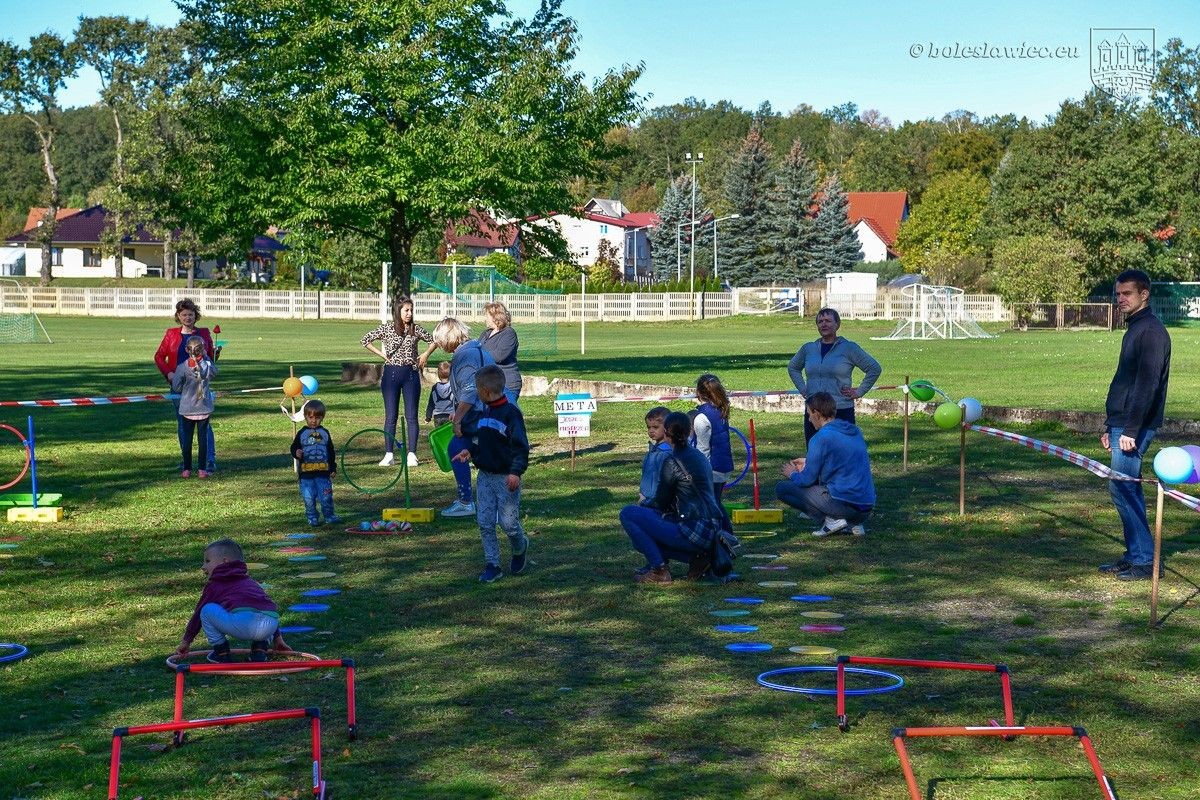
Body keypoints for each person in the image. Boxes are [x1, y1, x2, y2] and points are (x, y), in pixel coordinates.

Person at [1099, 269, 1172, 581]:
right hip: (1121, 424)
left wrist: (1129, 431)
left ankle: (1144, 561)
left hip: (1135, 426)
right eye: (1118, 294)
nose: (1121, 299)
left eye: (1127, 293)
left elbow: (1146, 386)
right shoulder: (1135, 329)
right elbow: (1124, 382)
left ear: (1145, 294)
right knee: (1126, 488)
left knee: (1123, 489)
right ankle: (1135, 555)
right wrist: (1110, 425)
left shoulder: (1152, 332)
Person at [619, 411, 727, 584]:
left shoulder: (672, 460)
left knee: (629, 515)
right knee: (644, 524)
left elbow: (660, 502)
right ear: (690, 431)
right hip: (712, 528)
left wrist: (643, 503)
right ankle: (699, 559)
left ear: (667, 433)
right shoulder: (699, 456)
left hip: (694, 529)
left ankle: (659, 569)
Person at [451, 365, 530, 583]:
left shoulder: (511, 415)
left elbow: (521, 447)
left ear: (485, 391)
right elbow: (483, 444)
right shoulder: (484, 413)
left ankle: (520, 546)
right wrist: (471, 452)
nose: (476, 394)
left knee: (508, 525)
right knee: (485, 522)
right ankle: (493, 564)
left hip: (506, 479)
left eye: (477, 390)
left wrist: (515, 472)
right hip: (485, 477)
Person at [775, 391, 875, 538]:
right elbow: (843, 458)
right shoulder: (854, 431)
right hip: (866, 508)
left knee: (782, 488)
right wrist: (809, 461)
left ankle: (833, 520)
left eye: (809, 414)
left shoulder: (820, 438)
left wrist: (792, 474)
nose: (809, 419)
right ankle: (852, 523)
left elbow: (807, 479)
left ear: (817, 413)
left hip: (842, 504)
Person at [175, 538, 289, 663]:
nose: (203, 566)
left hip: (243, 624)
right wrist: (278, 639)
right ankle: (259, 652)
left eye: (207, 561)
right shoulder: (250, 582)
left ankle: (221, 652)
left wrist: (186, 641)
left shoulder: (215, 584)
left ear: (224, 562)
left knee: (206, 610)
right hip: (270, 625)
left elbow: (197, 615)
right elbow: (266, 606)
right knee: (263, 609)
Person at [360, 295, 436, 468]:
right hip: (391, 374)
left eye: (411, 310)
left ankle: (412, 453)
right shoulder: (387, 328)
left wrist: (425, 354)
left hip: (411, 373)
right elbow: (365, 340)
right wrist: (382, 355)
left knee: (411, 416)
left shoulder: (415, 329)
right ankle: (389, 454)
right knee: (391, 416)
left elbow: (434, 341)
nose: (409, 313)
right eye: (406, 310)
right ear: (398, 311)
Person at [432, 317, 496, 518]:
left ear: (449, 337)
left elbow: (470, 391)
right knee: (457, 448)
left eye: (440, 340)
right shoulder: (477, 349)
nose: (439, 345)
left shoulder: (465, 357)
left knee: (466, 451)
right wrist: (458, 409)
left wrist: (458, 417)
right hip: (489, 410)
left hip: (480, 414)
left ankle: (468, 502)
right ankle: (470, 500)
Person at [787, 307, 882, 444]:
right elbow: (793, 367)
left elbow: (874, 368)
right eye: (820, 321)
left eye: (828, 321)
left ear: (837, 324)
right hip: (814, 413)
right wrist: (803, 389)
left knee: (842, 454)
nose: (824, 324)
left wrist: (859, 391)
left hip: (841, 411)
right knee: (816, 454)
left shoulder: (849, 348)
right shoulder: (808, 348)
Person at [155, 298, 219, 472]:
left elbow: (210, 359)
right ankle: (187, 462)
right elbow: (159, 357)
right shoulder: (171, 334)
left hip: (199, 386)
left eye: (190, 314)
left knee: (204, 424)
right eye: (184, 314)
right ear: (178, 316)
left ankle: (209, 460)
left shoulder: (204, 333)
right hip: (179, 386)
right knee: (183, 424)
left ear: (195, 315)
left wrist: (213, 355)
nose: (187, 317)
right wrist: (169, 373)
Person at [169, 336, 217, 478]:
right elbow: (214, 372)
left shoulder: (182, 367)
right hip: (203, 408)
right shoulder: (207, 365)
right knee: (203, 439)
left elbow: (176, 387)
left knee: (187, 439)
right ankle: (202, 470)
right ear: (202, 350)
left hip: (187, 408)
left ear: (186, 350)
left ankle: (187, 469)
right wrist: (207, 358)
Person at [290, 399, 342, 527]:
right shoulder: (302, 433)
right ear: (305, 417)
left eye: (317, 418)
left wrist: (333, 467)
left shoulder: (325, 433)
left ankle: (329, 515)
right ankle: (312, 517)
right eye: (310, 417)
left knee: (326, 497)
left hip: (323, 473)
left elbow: (330, 451)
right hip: (306, 475)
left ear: (322, 418)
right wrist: (296, 452)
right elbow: (294, 447)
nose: (313, 420)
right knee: (309, 498)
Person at [691, 374, 734, 505]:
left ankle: (720, 526)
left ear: (698, 392)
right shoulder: (721, 411)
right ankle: (723, 526)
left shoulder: (701, 417)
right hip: (724, 465)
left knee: (711, 505)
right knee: (716, 503)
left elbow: (703, 448)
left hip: (711, 469)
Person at [475, 301, 522, 403]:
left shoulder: (509, 333)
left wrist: (478, 353)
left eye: (487, 315)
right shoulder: (485, 333)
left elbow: (498, 356)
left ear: (495, 317)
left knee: (506, 416)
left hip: (507, 384)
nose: (485, 318)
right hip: (489, 384)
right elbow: (475, 350)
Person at [639, 406, 672, 503]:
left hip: (657, 500)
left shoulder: (666, 453)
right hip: (646, 497)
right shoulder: (654, 450)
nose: (651, 431)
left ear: (667, 427)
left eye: (656, 427)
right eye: (648, 427)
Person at [425, 360, 456, 428]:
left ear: (438, 374)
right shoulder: (453, 386)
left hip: (438, 417)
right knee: (449, 435)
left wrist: (428, 416)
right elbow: (457, 401)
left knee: (439, 435)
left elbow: (431, 403)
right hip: (450, 416)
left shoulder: (435, 387)